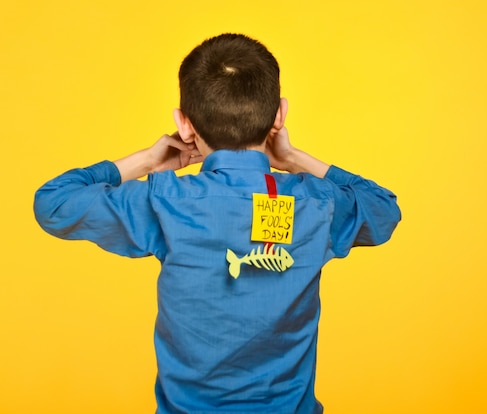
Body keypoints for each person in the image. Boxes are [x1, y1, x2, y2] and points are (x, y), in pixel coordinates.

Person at [34, 33, 401, 414]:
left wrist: (146, 162)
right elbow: (383, 210)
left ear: (184, 124)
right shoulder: (316, 202)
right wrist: (294, 160)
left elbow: (54, 203)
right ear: (279, 115)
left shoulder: (166, 201)